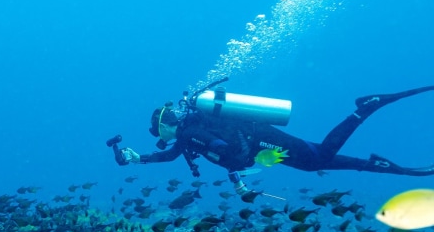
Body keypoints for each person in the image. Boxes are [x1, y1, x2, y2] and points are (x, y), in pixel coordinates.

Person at [115, 84, 434, 194]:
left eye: (160, 133)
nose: (163, 139)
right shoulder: (188, 134)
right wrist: (138, 158)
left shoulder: (191, 132)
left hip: (261, 139)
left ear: (165, 126)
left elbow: (223, 150)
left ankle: (365, 110)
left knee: (319, 157)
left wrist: (234, 167)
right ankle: (382, 166)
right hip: (259, 143)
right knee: (313, 164)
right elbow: (171, 155)